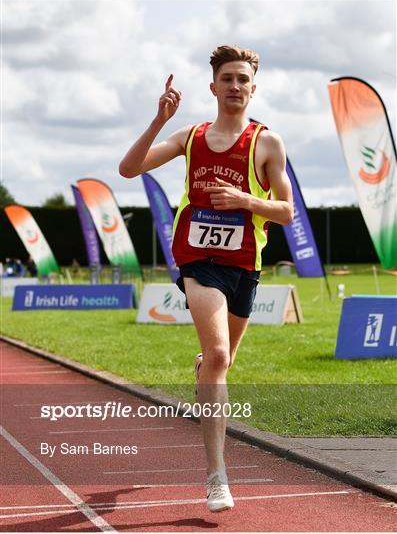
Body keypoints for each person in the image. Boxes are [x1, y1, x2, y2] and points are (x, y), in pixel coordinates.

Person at [119, 45, 293, 512]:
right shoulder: (190, 137)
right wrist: (158, 121)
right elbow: (129, 169)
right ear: (213, 86)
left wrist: (245, 200)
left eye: (243, 80)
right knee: (217, 353)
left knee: (222, 362)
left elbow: (288, 211)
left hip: (244, 265)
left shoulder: (268, 143)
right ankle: (217, 475)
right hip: (197, 260)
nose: (235, 87)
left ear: (253, 89)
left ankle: (205, 373)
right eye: (227, 79)